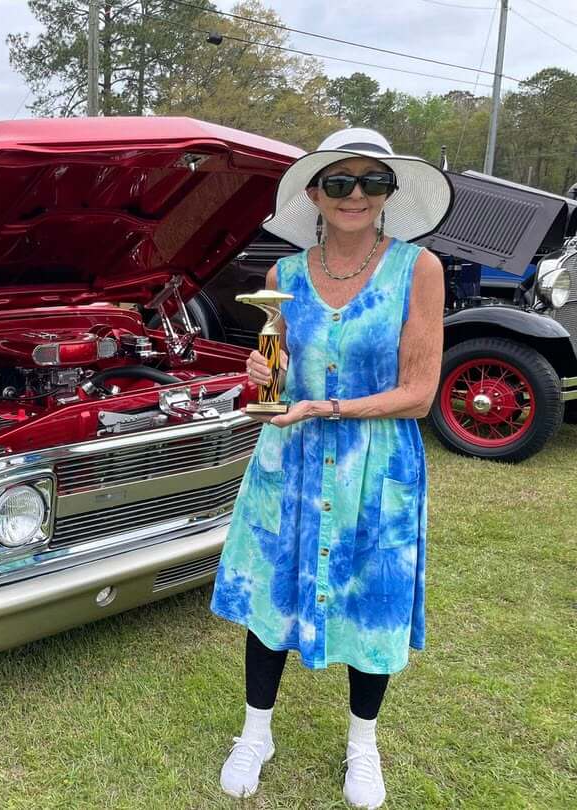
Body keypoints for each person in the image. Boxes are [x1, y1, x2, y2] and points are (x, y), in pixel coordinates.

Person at [209, 128, 452, 809]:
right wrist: (265, 371)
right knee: (272, 594)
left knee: (373, 602)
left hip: (375, 465)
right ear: (315, 194)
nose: (355, 195)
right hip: (289, 462)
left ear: (389, 193)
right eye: (339, 182)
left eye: (372, 181)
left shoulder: (418, 269)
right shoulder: (282, 278)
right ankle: (256, 734)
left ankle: (362, 746)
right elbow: (279, 379)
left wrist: (326, 407)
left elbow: (419, 394)